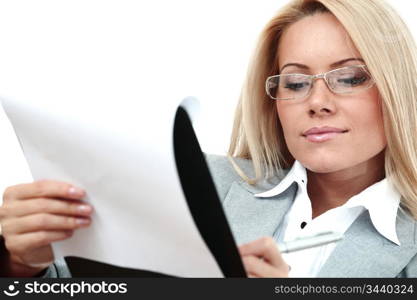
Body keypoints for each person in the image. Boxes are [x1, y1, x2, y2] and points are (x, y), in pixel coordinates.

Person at [1, 0, 416, 277]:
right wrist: (22, 262)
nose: (317, 102)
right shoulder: (194, 184)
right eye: (294, 83)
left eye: (349, 78)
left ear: (396, 89)